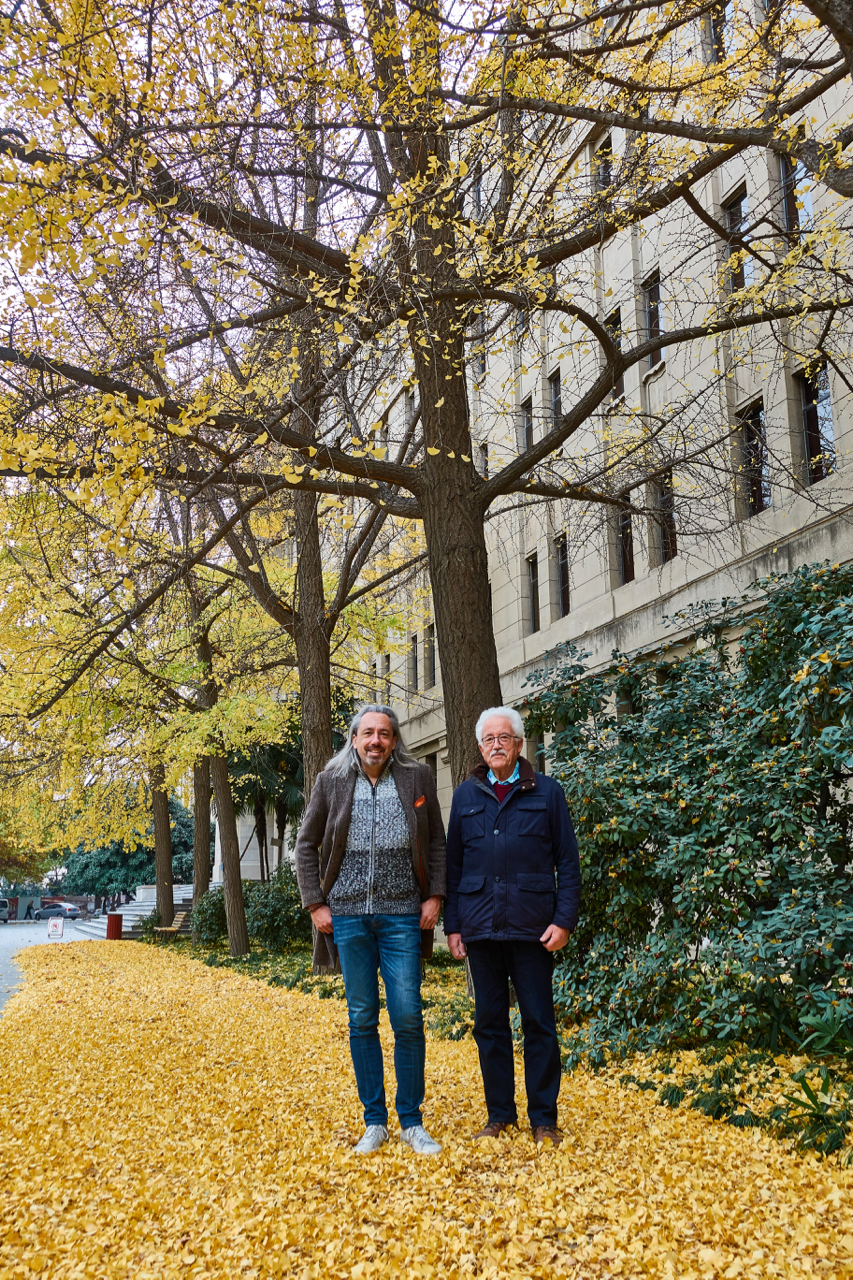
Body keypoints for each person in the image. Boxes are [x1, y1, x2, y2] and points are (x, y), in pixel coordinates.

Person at [295, 704, 446, 1156]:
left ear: (394, 740)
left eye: (383, 733)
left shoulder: (417, 777)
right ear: (355, 739)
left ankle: (412, 1122)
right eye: (368, 733)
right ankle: (374, 1122)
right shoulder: (331, 780)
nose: (375, 740)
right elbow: (306, 845)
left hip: (402, 914)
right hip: (348, 917)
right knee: (361, 1019)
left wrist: (435, 896)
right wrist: (315, 903)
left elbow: (436, 841)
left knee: (408, 1016)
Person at [445, 706, 581, 1147]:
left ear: (520, 744)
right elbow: (454, 866)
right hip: (480, 929)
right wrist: (453, 926)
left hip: (532, 929)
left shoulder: (548, 792)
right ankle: (499, 1115)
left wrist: (563, 920)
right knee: (489, 1025)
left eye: (504, 737)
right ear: (480, 748)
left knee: (539, 1023)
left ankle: (544, 1120)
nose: (497, 745)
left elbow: (568, 863)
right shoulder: (465, 796)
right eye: (489, 739)